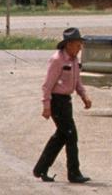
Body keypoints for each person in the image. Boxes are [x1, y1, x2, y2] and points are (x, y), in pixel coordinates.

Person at [34, 27, 92, 183]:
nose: (80, 48)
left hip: (66, 102)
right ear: (68, 44)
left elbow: (77, 82)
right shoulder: (57, 60)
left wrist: (84, 96)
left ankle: (40, 169)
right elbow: (47, 85)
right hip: (56, 102)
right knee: (71, 135)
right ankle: (74, 173)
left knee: (61, 136)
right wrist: (46, 106)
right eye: (78, 44)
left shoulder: (74, 60)